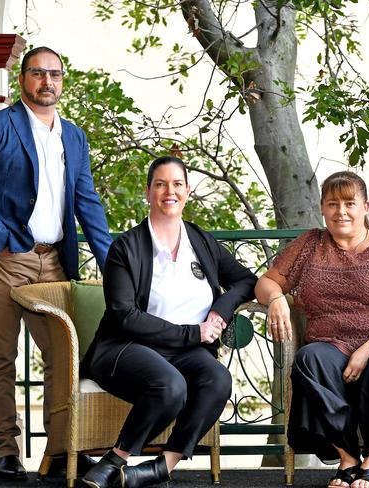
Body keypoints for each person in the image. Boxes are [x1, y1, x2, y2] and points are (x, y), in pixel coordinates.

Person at [0, 46, 112, 481]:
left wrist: (111, 263)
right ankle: (6, 452)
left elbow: (87, 202)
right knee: (2, 358)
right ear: (22, 80)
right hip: (5, 261)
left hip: (55, 262)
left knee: (65, 357)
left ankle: (62, 450)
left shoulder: (73, 136)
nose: (47, 81)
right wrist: (3, 239)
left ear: (63, 81)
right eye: (38, 73)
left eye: (55, 74)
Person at [79, 155, 257, 488]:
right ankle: (115, 459)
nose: (169, 191)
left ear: (187, 191)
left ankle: (163, 467)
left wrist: (219, 312)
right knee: (171, 385)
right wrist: (195, 332)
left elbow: (246, 281)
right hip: (128, 347)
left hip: (187, 350)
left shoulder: (200, 241)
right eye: (160, 184)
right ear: (148, 193)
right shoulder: (126, 247)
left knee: (217, 379)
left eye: (177, 184)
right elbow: (124, 315)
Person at [255, 172, 369, 488]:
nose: (341, 212)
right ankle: (348, 458)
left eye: (350, 203)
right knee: (310, 359)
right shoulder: (310, 244)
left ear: (366, 207)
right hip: (331, 344)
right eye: (332, 204)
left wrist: (365, 351)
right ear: (322, 208)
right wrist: (277, 298)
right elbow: (266, 282)